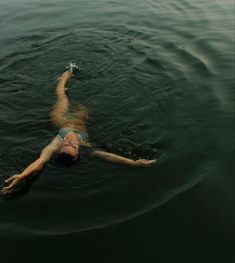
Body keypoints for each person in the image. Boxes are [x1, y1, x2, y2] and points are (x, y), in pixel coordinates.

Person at [1, 63, 156, 195]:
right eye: (73, 147)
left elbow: (40, 161)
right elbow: (108, 157)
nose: (71, 142)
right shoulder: (86, 148)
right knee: (85, 108)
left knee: (62, 96)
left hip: (62, 119)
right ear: (78, 154)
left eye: (67, 145)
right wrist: (133, 163)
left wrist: (22, 176)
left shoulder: (55, 144)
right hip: (80, 121)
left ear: (60, 147)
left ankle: (66, 74)